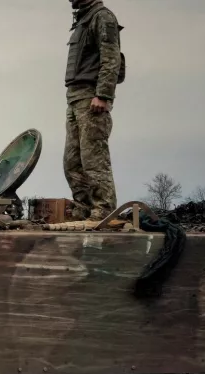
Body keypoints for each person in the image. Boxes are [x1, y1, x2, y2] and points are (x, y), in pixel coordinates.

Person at [63, 0, 124, 221]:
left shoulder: (102, 17)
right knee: (72, 162)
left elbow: (111, 58)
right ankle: (84, 208)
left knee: (94, 160)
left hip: (91, 97)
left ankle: (104, 209)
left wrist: (103, 94)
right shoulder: (84, 19)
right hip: (75, 97)